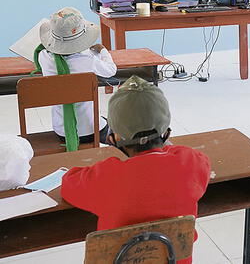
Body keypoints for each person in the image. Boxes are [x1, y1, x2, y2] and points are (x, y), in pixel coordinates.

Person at [61, 75, 211, 264]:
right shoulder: (190, 163)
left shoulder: (107, 177)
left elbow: (68, 184)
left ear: (114, 136)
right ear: (165, 131)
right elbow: (193, 157)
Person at [34, 7, 117, 150]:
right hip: (92, 129)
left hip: (62, 131)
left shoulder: (43, 57)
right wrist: (103, 51)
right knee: (111, 123)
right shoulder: (88, 60)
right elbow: (111, 70)